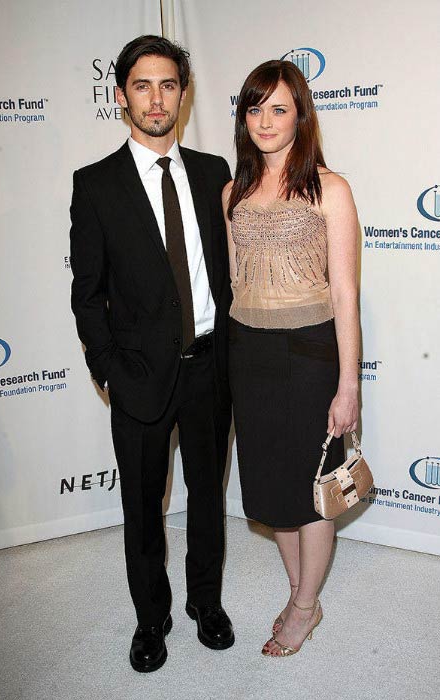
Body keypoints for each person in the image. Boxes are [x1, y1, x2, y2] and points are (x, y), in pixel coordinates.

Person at [70, 35, 234, 673]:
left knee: (207, 496)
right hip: (136, 376)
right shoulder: (96, 185)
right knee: (142, 507)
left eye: (168, 85)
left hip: (210, 368)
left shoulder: (214, 171)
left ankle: (206, 602)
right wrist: (106, 367)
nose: (156, 98)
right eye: (142, 85)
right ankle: (151, 618)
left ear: (183, 95)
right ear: (121, 96)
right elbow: (87, 295)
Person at [222, 59, 359, 657]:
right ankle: (304, 591)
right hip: (248, 353)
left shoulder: (330, 189)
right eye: (254, 108)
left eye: (279, 108)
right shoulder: (232, 192)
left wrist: (347, 384)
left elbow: (347, 294)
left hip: (311, 355)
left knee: (310, 487)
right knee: (270, 488)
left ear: (301, 116)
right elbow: (233, 284)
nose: (265, 120)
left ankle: (304, 607)